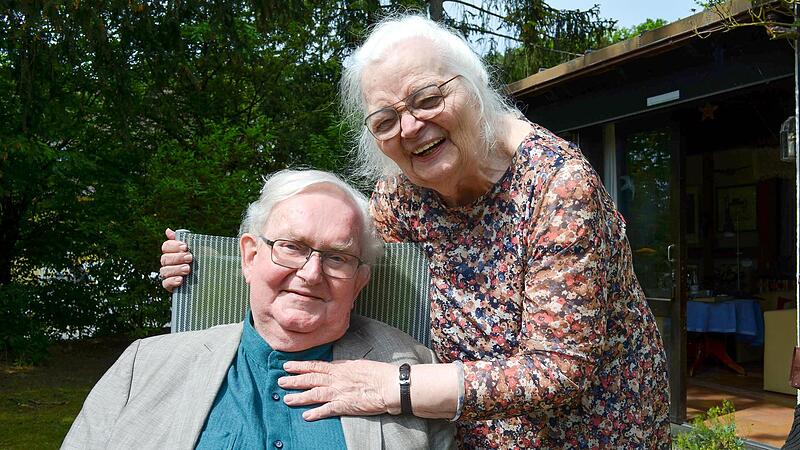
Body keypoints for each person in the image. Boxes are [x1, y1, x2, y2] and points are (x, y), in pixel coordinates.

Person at [159, 14, 671, 448]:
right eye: (385, 121)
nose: (409, 127)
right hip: (463, 433)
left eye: (426, 99)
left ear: (472, 85)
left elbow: (559, 369)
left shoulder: (557, 186)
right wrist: (205, 269)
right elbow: (330, 259)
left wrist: (394, 385)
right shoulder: (404, 194)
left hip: (590, 434)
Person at [63, 169, 454, 450]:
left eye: (337, 257)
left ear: (359, 283)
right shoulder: (144, 365)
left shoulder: (412, 370)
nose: (311, 273)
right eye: (292, 247)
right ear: (250, 257)